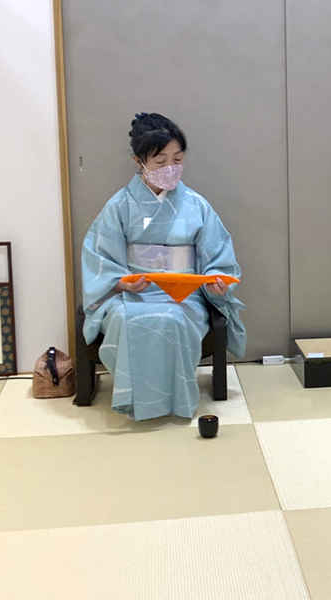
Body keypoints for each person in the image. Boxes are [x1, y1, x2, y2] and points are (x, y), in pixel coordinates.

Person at [82, 113, 246, 420]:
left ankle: (174, 400)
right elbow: (99, 259)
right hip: (131, 295)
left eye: (177, 160)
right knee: (126, 319)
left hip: (184, 296)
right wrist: (121, 282)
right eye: (160, 162)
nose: (170, 168)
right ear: (139, 162)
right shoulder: (119, 206)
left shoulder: (197, 205)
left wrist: (215, 281)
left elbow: (218, 257)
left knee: (173, 318)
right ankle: (134, 399)